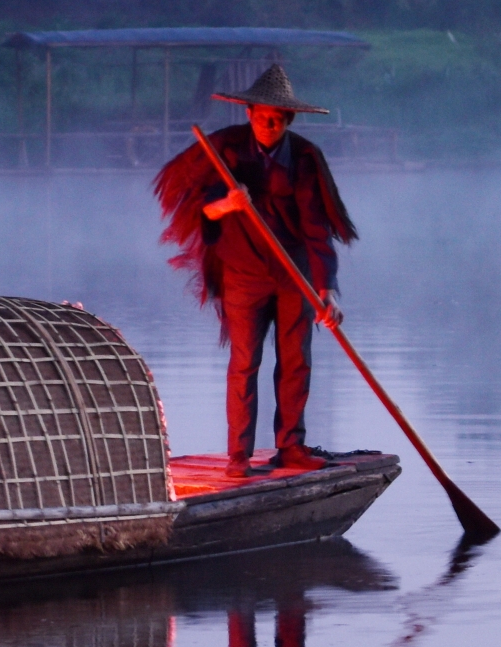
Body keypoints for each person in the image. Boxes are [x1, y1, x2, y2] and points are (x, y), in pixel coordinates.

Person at [151, 63, 357, 475]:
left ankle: (291, 448)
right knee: (245, 363)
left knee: (296, 359)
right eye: (262, 117)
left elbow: (318, 230)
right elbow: (204, 208)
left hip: (292, 273)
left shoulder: (303, 158)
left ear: (289, 119)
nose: (268, 125)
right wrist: (231, 202)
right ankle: (239, 457)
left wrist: (327, 289)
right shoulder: (225, 149)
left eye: (277, 119)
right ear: (249, 114)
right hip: (243, 274)